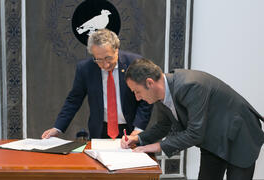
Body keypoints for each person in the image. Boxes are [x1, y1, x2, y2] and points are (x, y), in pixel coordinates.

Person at [121, 58, 264, 180]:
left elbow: (195, 133)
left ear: (150, 83)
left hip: (241, 135)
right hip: (212, 139)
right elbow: (163, 126)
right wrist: (138, 139)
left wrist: (156, 147)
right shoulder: (161, 95)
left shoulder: (190, 85)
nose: (137, 97)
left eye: (137, 91)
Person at [42, 29, 152, 139]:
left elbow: (146, 99)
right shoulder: (86, 68)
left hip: (130, 128)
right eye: (99, 59)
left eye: (108, 58)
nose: (105, 64)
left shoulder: (134, 63)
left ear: (116, 50)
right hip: (100, 130)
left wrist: (138, 129)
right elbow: (74, 100)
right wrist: (57, 128)